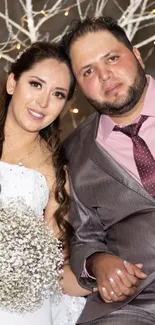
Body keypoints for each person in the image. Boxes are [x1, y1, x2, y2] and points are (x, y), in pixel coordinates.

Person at [62, 16, 155, 324]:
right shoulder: (74, 153)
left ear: (137, 56)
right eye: (88, 71)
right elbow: (83, 236)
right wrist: (97, 262)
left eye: (112, 58)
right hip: (135, 302)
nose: (104, 75)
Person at [0, 41, 90, 325]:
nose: (43, 102)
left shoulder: (55, 171)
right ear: (13, 82)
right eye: (36, 84)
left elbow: (55, 267)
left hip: (17, 299)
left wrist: (100, 278)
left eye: (58, 94)